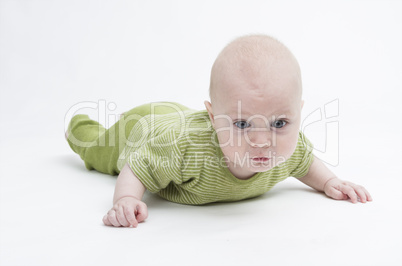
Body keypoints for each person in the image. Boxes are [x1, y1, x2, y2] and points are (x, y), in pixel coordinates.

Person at [65, 34, 372, 228]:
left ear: (298, 113)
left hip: (177, 117)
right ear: (213, 117)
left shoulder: (289, 147)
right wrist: (125, 199)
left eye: (279, 123)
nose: (262, 142)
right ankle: (81, 126)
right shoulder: (181, 148)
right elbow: (137, 167)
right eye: (241, 124)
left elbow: (306, 164)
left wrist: (331, 182)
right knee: (100, 152)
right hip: (146, 128)